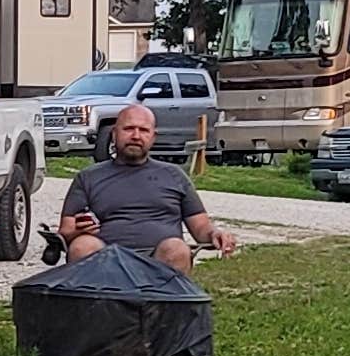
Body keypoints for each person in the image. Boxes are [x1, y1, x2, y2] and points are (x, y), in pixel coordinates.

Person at [56, 94, 237, 275]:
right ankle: (95, 303)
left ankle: (164, 303)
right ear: (114, 134)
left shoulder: (174, 175)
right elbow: (65, 231)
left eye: (143, 130)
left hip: (160, 262)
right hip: (106, 262)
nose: (136, 136)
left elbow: (200, 227)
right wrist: (77, 231)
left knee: (177, 248)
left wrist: (215, 234)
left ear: (153, 137)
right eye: (129, 129)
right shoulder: (88, 177)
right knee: (82, 245)